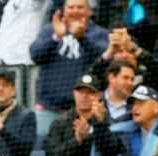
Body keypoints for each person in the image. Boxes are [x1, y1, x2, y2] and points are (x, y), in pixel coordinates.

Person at [44, 73, 124, 156]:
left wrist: (100, 124)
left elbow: (112, 153)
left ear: (99, 95)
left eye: (90, 92)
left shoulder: (109, 123)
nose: (84, 96)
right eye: (80, 91)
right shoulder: (60, 123)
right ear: (74, 93)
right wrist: (77, 140)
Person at [29, 0, 108, 135]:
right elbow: (35, 55)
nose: (75, 11)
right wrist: (55, 37)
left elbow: (105, 60)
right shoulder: (50, 29)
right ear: (64, 11)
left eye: (80, 7)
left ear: (89, 11)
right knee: (42, 148)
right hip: (49, 107)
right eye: (71, 7)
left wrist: (83, 38)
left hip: (85, 110)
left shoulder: (99, 33)